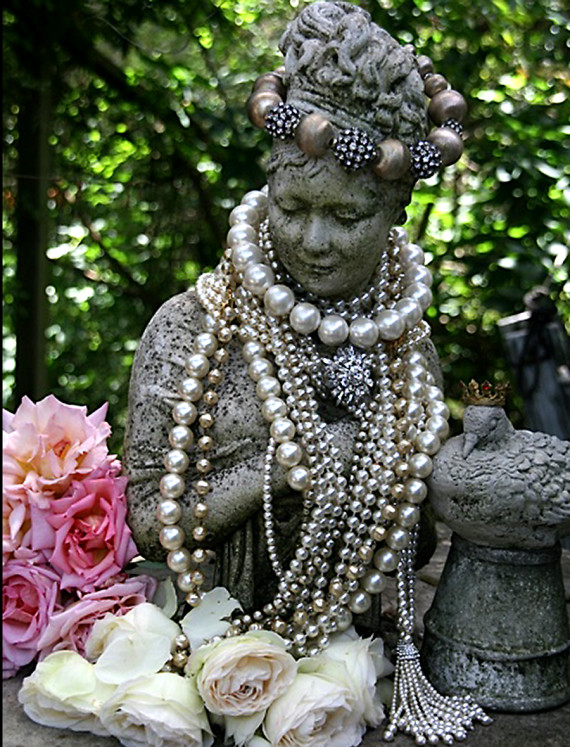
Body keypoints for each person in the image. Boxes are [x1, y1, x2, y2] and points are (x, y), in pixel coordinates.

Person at [124, 0, 465, 653]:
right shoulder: (188, 329)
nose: (315, 240)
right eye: (293, 206)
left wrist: (381, 473)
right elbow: (149, 521)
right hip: (201, 648)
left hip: (353, 657)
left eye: (346, 216)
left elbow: (415, 541)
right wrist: (296, 461)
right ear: (270, 185)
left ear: (394, 209)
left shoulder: (404, 344)